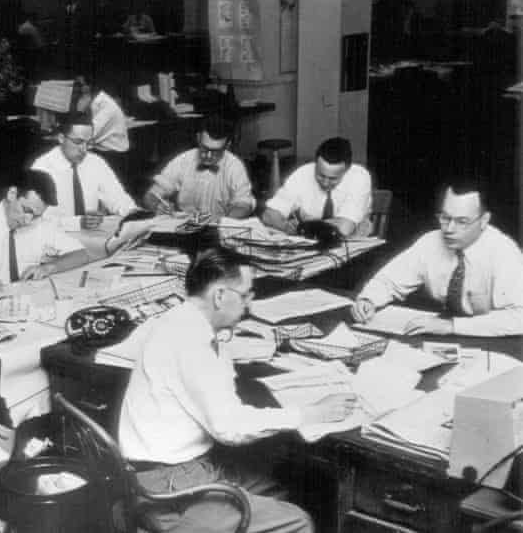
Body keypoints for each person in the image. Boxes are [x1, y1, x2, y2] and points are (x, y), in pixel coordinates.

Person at [119, 247, 355, 533]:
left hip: (160, 472)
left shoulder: (179, 320)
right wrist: (308, 413)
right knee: (299, 521)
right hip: (171, 488)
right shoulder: (192, 343)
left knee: (279, 486)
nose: (250, 304)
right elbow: (230, 428)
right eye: (245, 295)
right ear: (219, 295)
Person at [351, 180, 523, 336]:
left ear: (484, 220)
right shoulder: (431, 242)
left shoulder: (504, 253)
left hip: (492, 339)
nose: (449, 229)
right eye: (445, 218)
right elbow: (389, 280)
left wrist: (452, 326)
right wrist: (368, 299)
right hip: (441, 331)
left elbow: (519, 318)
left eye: (462, 221)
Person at [31, 113, 136, 230]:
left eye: (88, 143)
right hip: (54, 239)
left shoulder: (96, 163)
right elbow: (36, 221)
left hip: (90, 237)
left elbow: (119, 199)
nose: (83, 149)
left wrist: (135, 213)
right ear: (61, 138)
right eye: (78, 142)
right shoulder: (42, 168)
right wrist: (78, 223)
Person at [143, 115, 255, 219]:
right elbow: (151, 195)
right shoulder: (183, 160)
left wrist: (227, 220)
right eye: (205, 148)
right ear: (198, 138)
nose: (209, 156)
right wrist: (157, 205)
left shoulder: (234, 166)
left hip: (219, 227)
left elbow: (244, 204)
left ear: (227, 146)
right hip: (184, 227)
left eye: (216, 151)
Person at [262, 137, 372, 237]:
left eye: (333, 178)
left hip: (348, 245)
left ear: (347, 170)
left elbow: (344, 228)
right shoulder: (303, 173)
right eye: (321, 175)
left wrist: (303, 226)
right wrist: (287, 227)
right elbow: (269, 215)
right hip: (307, 242)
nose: (325, 182)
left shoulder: (359, 177)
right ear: (316, 164)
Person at [73, 76, 129, 154]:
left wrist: (80, 111)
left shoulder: (106, 105)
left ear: (89, 87)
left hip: (113, 152)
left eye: (79, 85)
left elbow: (89, 133)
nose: (75, 89)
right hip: (101, 148)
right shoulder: (93, 102)